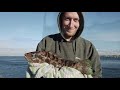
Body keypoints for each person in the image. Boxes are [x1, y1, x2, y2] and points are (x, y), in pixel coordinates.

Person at [27, 12, 102, 78]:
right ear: (61, 21)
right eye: (67, 19)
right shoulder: (46, 42)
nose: (71, 25)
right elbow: (37, 72)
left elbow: (96, 75)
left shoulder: (88, 47)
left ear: (80, 23)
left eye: (75, 20)